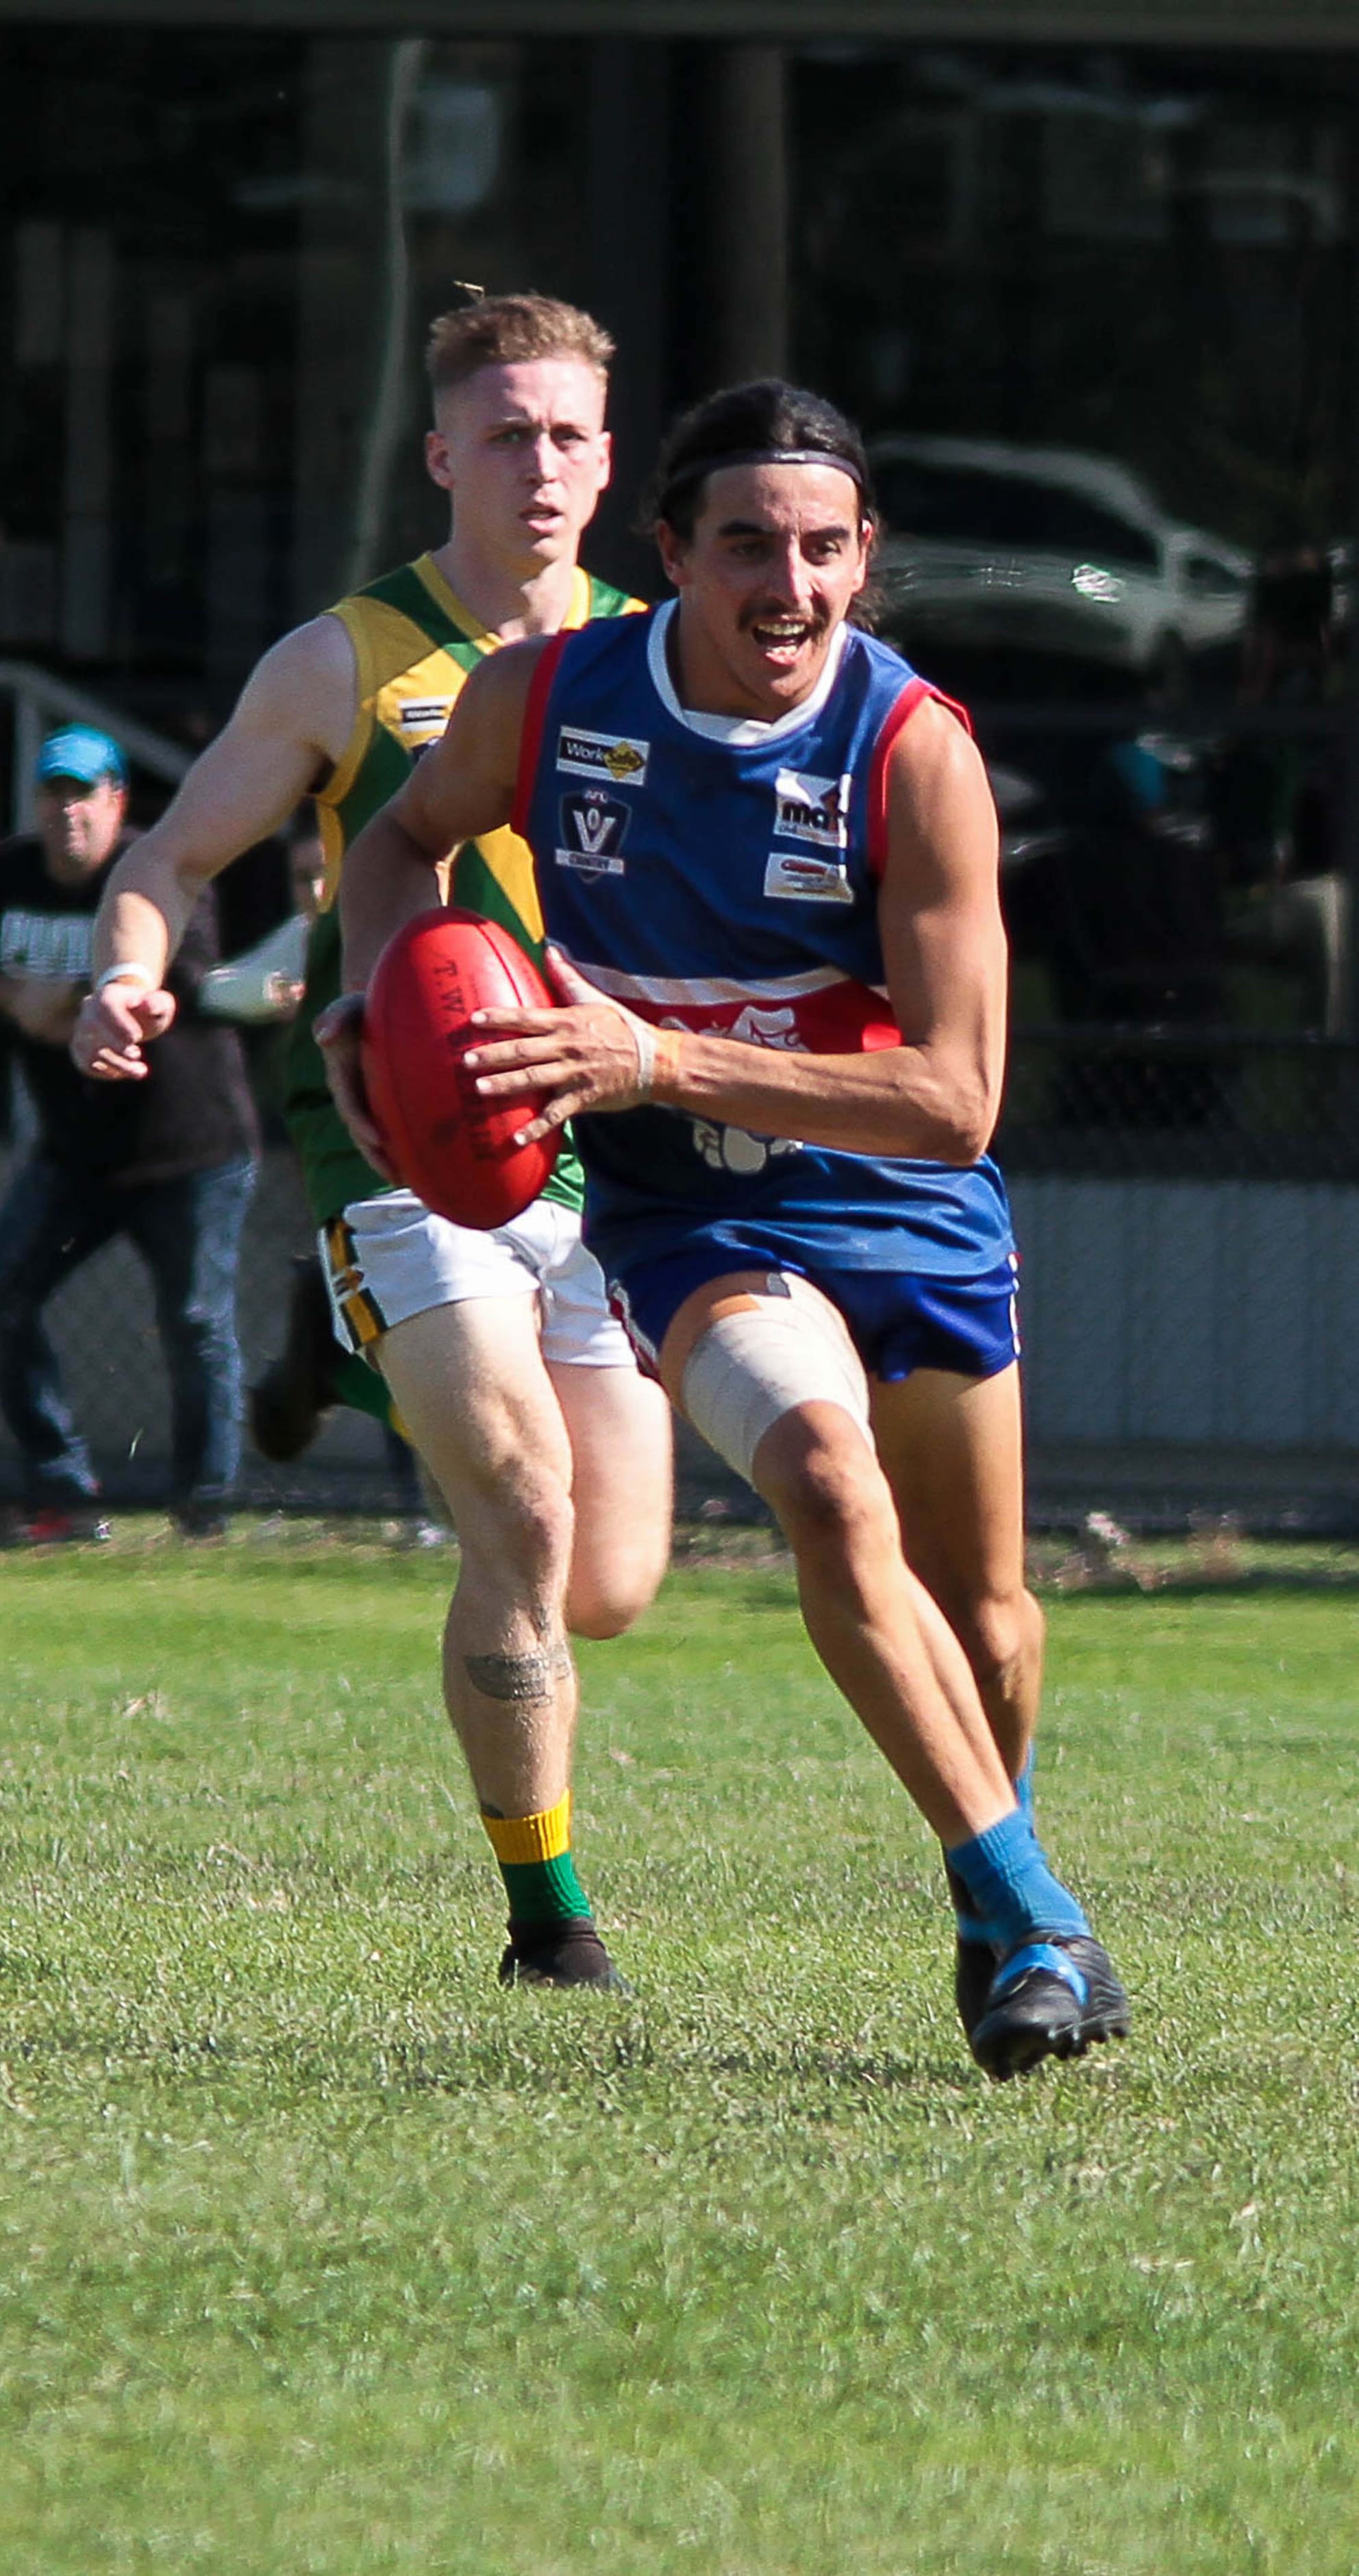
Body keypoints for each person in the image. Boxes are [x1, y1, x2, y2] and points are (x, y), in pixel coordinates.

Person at [324, 378, 1131, 2081]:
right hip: (691, 1211)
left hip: (901, 1199)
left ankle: (1002, 1916)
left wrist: (647, 1048)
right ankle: (1037, 1916)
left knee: (983, 1612)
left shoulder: (911, 751)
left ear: (865, 559)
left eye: (826, 548)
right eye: (749, 544)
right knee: (828, 1495)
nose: (791, 585)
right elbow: (397, 845)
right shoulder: (542, 697)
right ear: (669, 553)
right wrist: (372, 1005)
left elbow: (956, 1098)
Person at [71, 294, 673, 1991]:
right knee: (525, 1521)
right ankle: (549, 1924)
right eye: (504, 434)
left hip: (602, 1153)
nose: (538, 464)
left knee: (614, 1584)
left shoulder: (659, 652)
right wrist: (130, 977)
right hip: (396, 1137)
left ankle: (339, 1360)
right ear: (439, 457)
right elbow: (165, 864)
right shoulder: (346, 658)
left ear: (608, 458)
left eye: (566, 435)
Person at [0, 724, 258, 1540]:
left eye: (84, 792)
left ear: (116, 802)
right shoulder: (7, 874)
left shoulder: (155, 872)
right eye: (53, 792)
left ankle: (205, 1511)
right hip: (76, 1156)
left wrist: (69, 1001)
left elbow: (177, 981)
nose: (67, 810)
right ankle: (64, 1490)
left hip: (192, 1151)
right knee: (2, 1294)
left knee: (195, 1321)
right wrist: (11, 995)